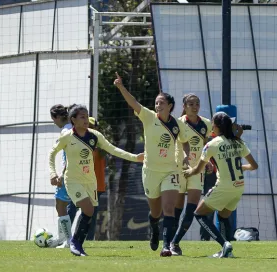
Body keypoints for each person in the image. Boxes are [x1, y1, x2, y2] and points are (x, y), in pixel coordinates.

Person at [48, 105, 143, 256]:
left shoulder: (95, 136)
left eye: (86, 116)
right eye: (82, 117)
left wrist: (135, 157)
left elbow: (113, 149)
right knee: (88, 209)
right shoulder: (67, 136)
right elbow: (52, 153)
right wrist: (53, 173)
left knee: (89, 213)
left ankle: (76, 244)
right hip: (72, 180)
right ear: (73, 120)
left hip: (90, 181)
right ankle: (74, 243)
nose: (86, 120)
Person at [113, 72, 191, 257]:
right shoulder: (149, 117)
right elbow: (133, 103)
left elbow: (185, 141)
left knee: (169, 209)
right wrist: (121, 86)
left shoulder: (177, 124)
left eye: (161, 103)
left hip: (170, 171)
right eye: (156, 102)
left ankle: (167, 246)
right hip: (150, 172)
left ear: (170, 106)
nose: (157, 105)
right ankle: (154, 228)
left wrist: (187, 155)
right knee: (155, 213)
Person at [184, 112, 258, 258]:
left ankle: (224, 244)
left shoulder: (212, 144)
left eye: (212, 123)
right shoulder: (239, 142)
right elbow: (254, 166)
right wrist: (241, 168)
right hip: (239, 186)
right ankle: (226, 249)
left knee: (198, 214)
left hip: (224, 186)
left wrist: (189, 172)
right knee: (223, 216)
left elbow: (198, 169)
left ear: (216, 127)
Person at [170, 93, 212, 256]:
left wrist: (208, 161)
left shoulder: (206, 123)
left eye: (197, 103)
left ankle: (175, 243)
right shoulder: (179, 123)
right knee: (177, 208)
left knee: (192, 207)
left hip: (197, 170)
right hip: (180, 169)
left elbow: (207, 146)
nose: (195, 106)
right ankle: (168, 241)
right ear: (184, 107)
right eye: (191, 104)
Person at [49, 104, 77, 248]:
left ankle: (68, 239)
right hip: (77, 173)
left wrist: (62, 175)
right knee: (62, 205)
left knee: (60, 205)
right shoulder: (72, 129)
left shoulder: (65, 131)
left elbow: (69, 157)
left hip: (69, 174)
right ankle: (62, 238)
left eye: (53, 119)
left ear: (58, 117)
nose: (54, 122)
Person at [86, 117, 106, 241]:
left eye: (92, 127)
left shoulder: (100, 145)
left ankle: (89, 240)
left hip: (96, 186)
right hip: (82, 183)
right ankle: (71, 238)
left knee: (92, 216)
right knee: (74, 210)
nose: (89, 129)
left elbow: (103, 154)